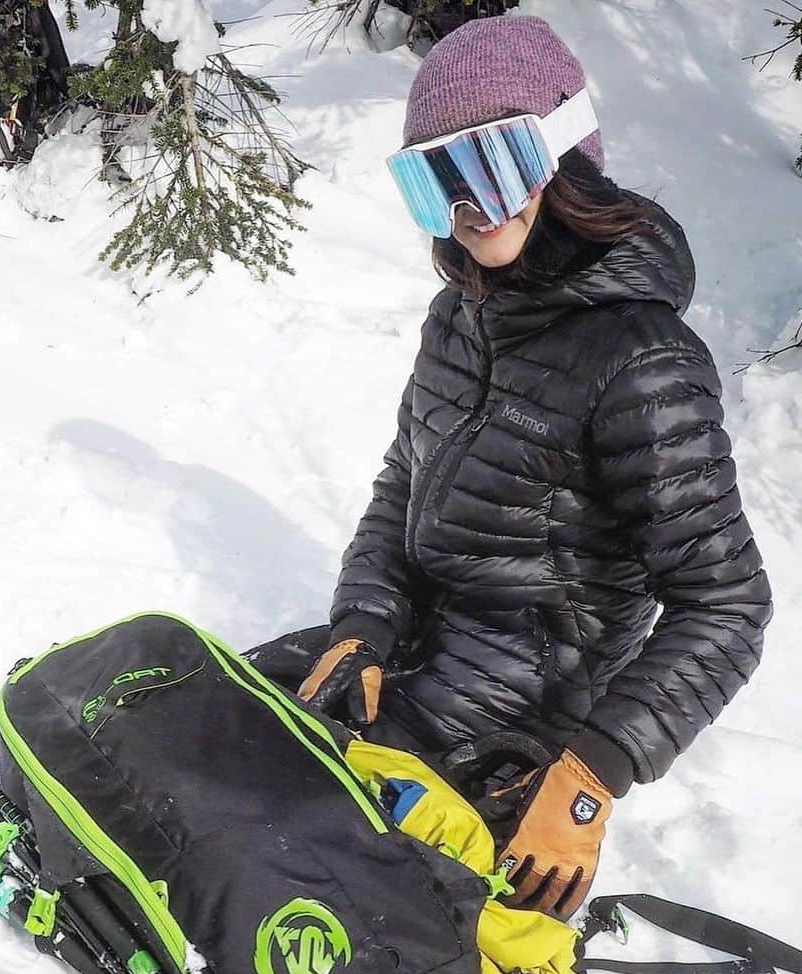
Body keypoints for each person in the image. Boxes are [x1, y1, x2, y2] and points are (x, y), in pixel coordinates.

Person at [259, 16, 772, 921]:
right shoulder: (459, 316)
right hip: (407, 665)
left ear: (565, 156)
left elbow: (725, 603)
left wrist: (590, 775)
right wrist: (364, 624)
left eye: (491, 164)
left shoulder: (640, 360)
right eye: (436, 181)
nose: (471, 208)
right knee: (194, 733)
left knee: (280, 875)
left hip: (516, 725)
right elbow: (398, 492)